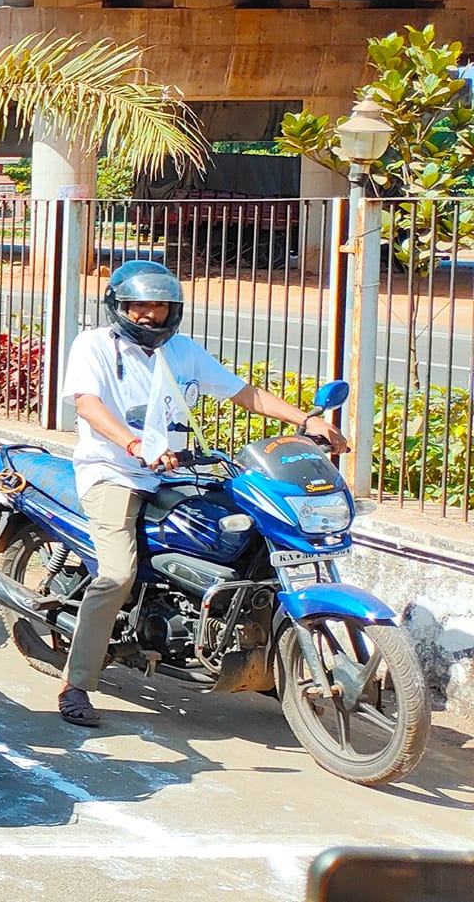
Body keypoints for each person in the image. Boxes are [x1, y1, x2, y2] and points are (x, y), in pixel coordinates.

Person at [56, 261, 347, 728]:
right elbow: (87, 405)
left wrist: (306, 421)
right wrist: (132, 444)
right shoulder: (93, 345)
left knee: (249, 538)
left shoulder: (183, 351)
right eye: (142, 306)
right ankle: (77, 683)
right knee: (116, 574)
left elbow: (243, 393)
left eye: (162, 306)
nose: (152, 315)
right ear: (120, 307)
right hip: (114, 472)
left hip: (175, 471)